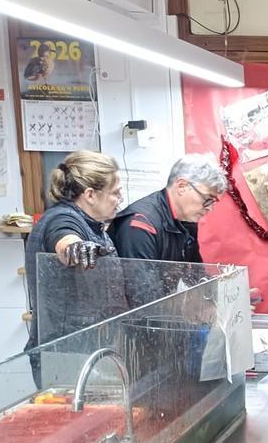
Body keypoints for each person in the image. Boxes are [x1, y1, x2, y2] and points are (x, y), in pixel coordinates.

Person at [23, 150, 122, 353]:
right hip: (65, 350)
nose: (120, 198)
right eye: (115, 193)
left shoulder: (94, 225)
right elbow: (64, 239)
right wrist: (75, 247)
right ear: (90, 195)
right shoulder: (61, 218)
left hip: (90, 344)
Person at [109, 153, 227, 263]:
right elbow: (140, 283)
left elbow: (195, 274)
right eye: (207, 199)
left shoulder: (186, 220)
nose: (210, 208)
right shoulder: (140, 225)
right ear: (181, 186)